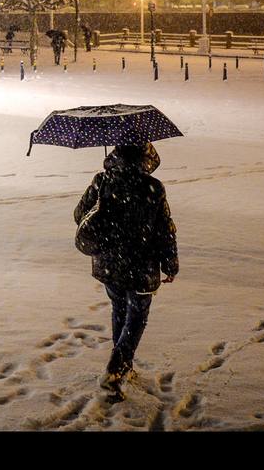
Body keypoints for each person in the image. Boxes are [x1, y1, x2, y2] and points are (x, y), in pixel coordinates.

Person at [73, 142, 179, 395]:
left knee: (119, 308)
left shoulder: (102, 181)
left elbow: (79, 215)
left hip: (110, 263)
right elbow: (166, 231)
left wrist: (104, 207)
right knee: (137, 316)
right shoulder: (153, 187)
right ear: (146, 157)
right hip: (142, 265)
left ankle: (123, 364)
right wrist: (170, 264)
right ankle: (117, 366)